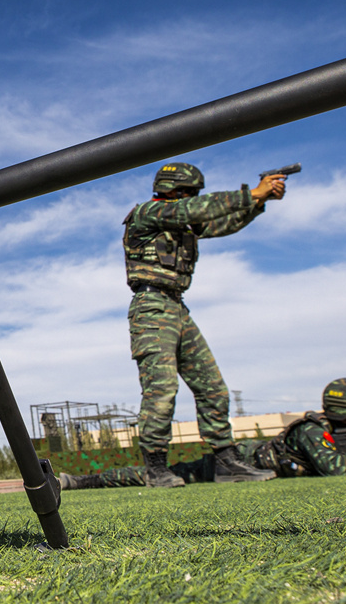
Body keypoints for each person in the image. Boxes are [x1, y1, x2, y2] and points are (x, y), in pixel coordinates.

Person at [120, 161, 284, 486]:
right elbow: (200, 208)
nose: (195, 197)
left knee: (213, 389)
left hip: (177, 308)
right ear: (177, 190)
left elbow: (221, 223)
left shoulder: (184, 220)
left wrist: (258, 202)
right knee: (162, 391)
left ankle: (228, 461)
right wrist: (252, 192)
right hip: (151, 307)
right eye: (191, 192)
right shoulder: (148, 212)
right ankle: (156, 467)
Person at [58, 377, 346, 489]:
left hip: (242, 466)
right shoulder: (312, 430)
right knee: (142, 477)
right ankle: (78, 482)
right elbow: (334, 469)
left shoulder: (340, 434)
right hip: (229, 466)